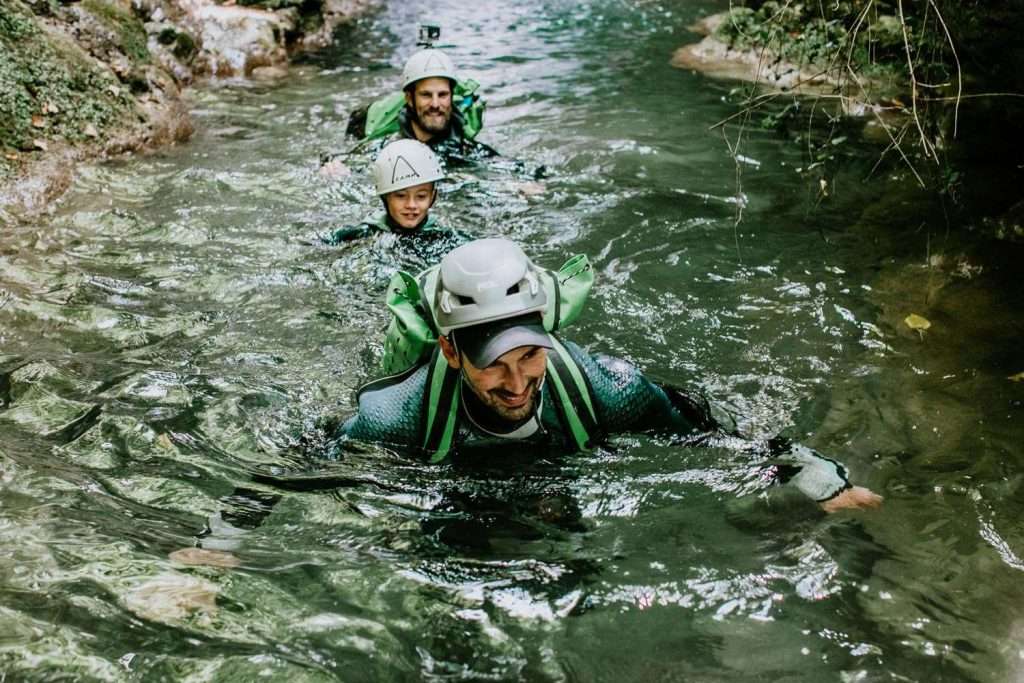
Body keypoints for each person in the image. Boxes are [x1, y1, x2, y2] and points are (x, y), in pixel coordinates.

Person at [337, 238, 883, 513]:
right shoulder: (397, 414)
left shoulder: (606, 387)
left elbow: (700, 429)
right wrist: (245, 522)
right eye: (494, 365)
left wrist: (811, 473)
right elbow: (303, 460)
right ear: (452, 355)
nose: (519, 383)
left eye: (529, 355)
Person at [321, 139, 469, 266]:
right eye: (400, 196)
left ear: (433, 197)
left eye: (421, 196)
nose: (411, 205)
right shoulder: (363, 234)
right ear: (385, 197)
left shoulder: (445, 236)